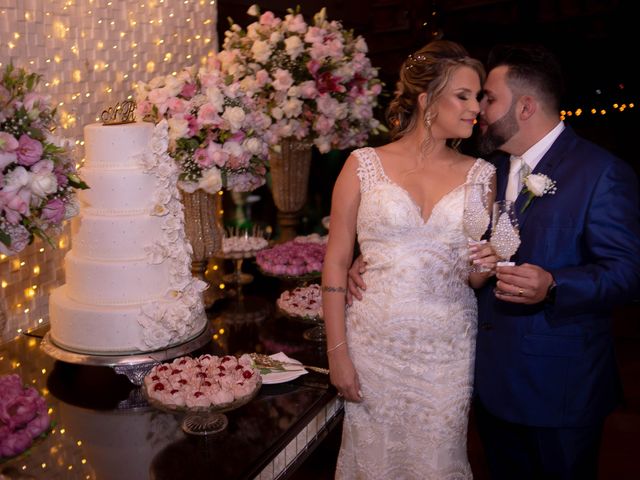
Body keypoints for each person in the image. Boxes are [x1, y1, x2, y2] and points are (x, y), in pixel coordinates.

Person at [322, 40, 497, 479]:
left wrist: (486, 263)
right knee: (374, 461)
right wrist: (338, 354)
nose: (475, 107)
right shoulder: (362, 165)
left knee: (438, 460)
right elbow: (336, 261)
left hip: (447, 348)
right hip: (372, 347)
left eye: (478, 97)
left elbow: (473, 279)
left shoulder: (482, 175)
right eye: (464, 95)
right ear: (426, 99)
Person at [472, 44, 640, 480]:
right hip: (491, 383)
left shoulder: (601, 172)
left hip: (560, 389)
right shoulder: (486, 169)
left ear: (525, 106)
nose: (479, 108)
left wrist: (554, 284)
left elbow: (627, 271)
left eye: (489, 98)